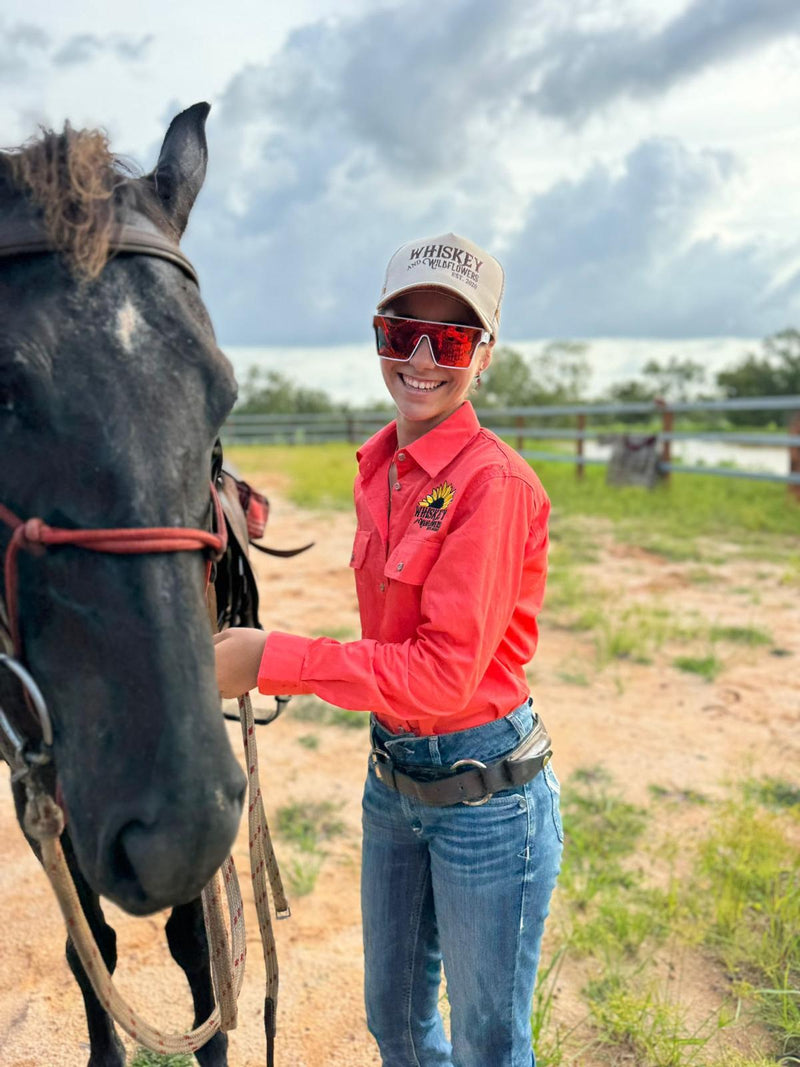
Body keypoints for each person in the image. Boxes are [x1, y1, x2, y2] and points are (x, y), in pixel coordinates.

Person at [214, 231, 563, 1066]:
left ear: (483, 354)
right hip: (395, 780)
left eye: (448, 340)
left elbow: (444, 674)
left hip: (485, 796)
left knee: (489, 1043)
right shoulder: (383, 465)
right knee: (396, 1023)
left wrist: (271, 657)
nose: (419, 357)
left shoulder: (493, 483)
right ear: (377, 331)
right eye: (399, 330)